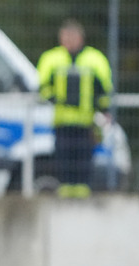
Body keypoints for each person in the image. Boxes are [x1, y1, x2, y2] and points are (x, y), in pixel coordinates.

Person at [37, 19, 114, 198]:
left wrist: (104, 111)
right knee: (63, 158)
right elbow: (42, 86)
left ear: (81, 38)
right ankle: (65, 191)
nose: (70, 40)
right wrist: (56, 98)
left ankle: (82, 192)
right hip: (62, 120)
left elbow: (104, 89)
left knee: (84, 159)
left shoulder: (95, 59)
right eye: (66, 36)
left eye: (73, 37)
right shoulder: (51, 58)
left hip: (85, 121)